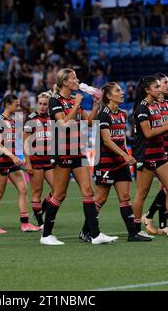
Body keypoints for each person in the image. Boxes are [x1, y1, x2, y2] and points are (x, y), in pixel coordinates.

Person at [40, 68, 118, 245]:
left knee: (88, 191)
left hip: (78, 150)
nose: (77, 81)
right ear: (65, 82)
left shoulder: (74, 100)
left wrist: (96, 104)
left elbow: (90, 122)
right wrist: (76, 104)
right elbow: (63, 124)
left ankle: (95, 235)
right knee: (59, 194)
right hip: (63, 152)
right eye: (74, 78)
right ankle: (46, 235)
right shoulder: (55, 100)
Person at [82, 82, 151, 242]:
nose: (122, 93)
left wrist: (126, 155)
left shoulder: (122, 113)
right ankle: (86, 231)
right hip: (106, 162)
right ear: (109, 95)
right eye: (118, 90)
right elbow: (106, 141)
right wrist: (126, 156)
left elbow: (121, 140)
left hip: (120, 162)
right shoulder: (103, 115)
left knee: (125, 196)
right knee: (100, 199)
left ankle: (132, 234)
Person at [132, 76, 168, 238]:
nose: (160, 89)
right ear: (147, 90)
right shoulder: (142, 107)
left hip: (159, 153)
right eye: (156, 87)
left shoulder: (156, 106)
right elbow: (148, 133)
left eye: (160, 86)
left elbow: (162, 126)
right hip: (145, 155)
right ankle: (135, 229)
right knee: (141, 194)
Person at [0, 94, 41, 233]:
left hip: (12, 161)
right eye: (16, 105)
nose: (18, 107)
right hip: (1, 160)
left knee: (23, 189)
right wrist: (12, 156)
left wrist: (21, 156)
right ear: (7, 105)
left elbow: (17, 142)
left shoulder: (15, 121)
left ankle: (25, 223)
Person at [142, 73, 168, 234]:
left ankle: (157, 220)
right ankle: (156, 220)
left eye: (167, 83)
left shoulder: (167, 103)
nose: (167, 86)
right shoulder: (151, 106)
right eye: (164, 83)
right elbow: (162, 126)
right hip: (158, 146)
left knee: (167, 187)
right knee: (166, 186)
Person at [23, 91, 54, 228]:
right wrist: (28, 162)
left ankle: (39, 211)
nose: (42, 106)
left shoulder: (52, 118)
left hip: (49, 160)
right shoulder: (31, 119)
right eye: (40, 104)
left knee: (58, 189)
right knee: (37, 191)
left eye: (45, 104)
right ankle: (41, 223)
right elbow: (25, 142)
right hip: (35, 160)